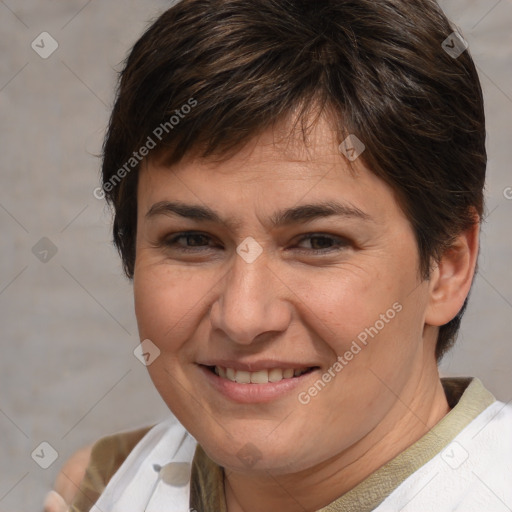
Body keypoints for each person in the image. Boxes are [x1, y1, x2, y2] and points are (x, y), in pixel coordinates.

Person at [48, 0, 512, 510]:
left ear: (448, 267)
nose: (244, 317)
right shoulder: (102, 485)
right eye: (192, 240)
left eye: (319, 242)